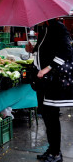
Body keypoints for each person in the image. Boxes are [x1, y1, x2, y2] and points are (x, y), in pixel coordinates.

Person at [26, 19, 73, 162]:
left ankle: (56, 154)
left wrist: (47, 68)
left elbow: (67, 51)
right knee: (46, 116)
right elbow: (47, 50)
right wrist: (32, 49)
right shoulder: (44, 29)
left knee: (51, 117)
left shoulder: (58, 27)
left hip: (53, 80)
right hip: (42, 81)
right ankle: (52, 149)